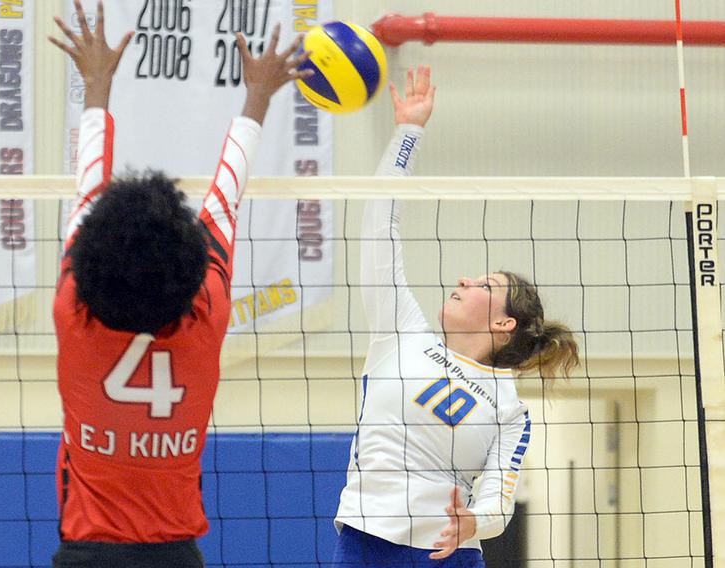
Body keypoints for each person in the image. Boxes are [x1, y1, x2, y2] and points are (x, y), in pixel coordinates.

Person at [48, 2, 312, 566]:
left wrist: (96, 86)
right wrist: (257, 99)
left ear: (91, 254)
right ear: (190, 270)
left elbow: (88, 188)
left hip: (86, 554)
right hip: (174, 556)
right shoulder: (207, 312)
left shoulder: (73, 309)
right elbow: (225, 199)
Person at [333, 65, 580, 567]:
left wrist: (476, 521)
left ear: (503, 324)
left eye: (486, 285)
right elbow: (379, 225)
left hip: (447, 553)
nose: (465, 281)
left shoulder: (509, 408)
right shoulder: (401, 333)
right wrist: (409, 131)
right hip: (364, 542)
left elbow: (498, 498)